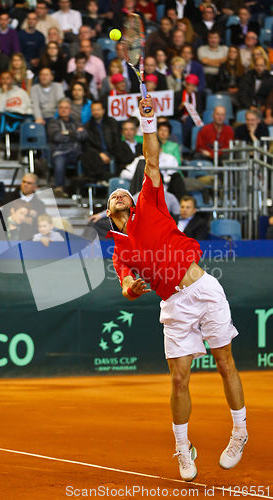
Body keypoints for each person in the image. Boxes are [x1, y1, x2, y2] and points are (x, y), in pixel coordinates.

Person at [107, 94, 247, 482]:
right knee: (179, 378)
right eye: (114, 195)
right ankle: (183, 449)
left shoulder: (151, 201)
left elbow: (150, 159)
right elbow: (125, 289)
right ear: (109, 213)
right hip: (174, 305)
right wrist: (133, 286)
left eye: (124, 192)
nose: (121, 193)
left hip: (203, 289)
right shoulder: (120, 251)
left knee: (225, 363)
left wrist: (147, 120)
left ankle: (239, 432)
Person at [47, 98, 87, 197]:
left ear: (70, 110)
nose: (64, 110)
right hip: (61, 152)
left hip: (76, 152)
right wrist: (75, 134)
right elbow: (56, 137)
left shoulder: (76, 122)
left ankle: (84, 191)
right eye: (61, 107)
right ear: (58, 110)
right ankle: (59, 189)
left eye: (66, 108)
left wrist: (67, 133)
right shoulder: (53, 122)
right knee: (59, 160)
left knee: (88, 157)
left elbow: (84, 135)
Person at [0, 71, 33, 149]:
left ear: (12, 80)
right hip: (7, 117)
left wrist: (28, 113)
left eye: (8, 78)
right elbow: (0, 109)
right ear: (0, 81)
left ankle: (28, 151)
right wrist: (5, 94)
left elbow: (29, 105)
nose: (5, 81)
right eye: (3, 79)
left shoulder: (21, 92)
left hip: (22, 116)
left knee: (29, 123)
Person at [81, 100, 122, 182]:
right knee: (86, 155)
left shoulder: (112, 122)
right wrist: (99, 154)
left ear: (103, 111)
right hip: (96, 153)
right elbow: (87, 145)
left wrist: (110, 154)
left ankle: (101, 178)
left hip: (112, 151)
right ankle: (105, 177)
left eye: (98, 109)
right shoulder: (87, 126)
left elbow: (117, 140)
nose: (96, 112)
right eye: (93, 110)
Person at [174, 74, 205, 149]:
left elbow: (200, 110)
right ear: (186, 85)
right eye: (189, 85)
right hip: (180, 118)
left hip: (193, 119)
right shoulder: (178, 94)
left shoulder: (197, 96)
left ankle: (189, 146)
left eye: (193, 86)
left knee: (190, 121)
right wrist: (181, 107)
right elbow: (174, 112)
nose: (190, 88)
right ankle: (186, 145)